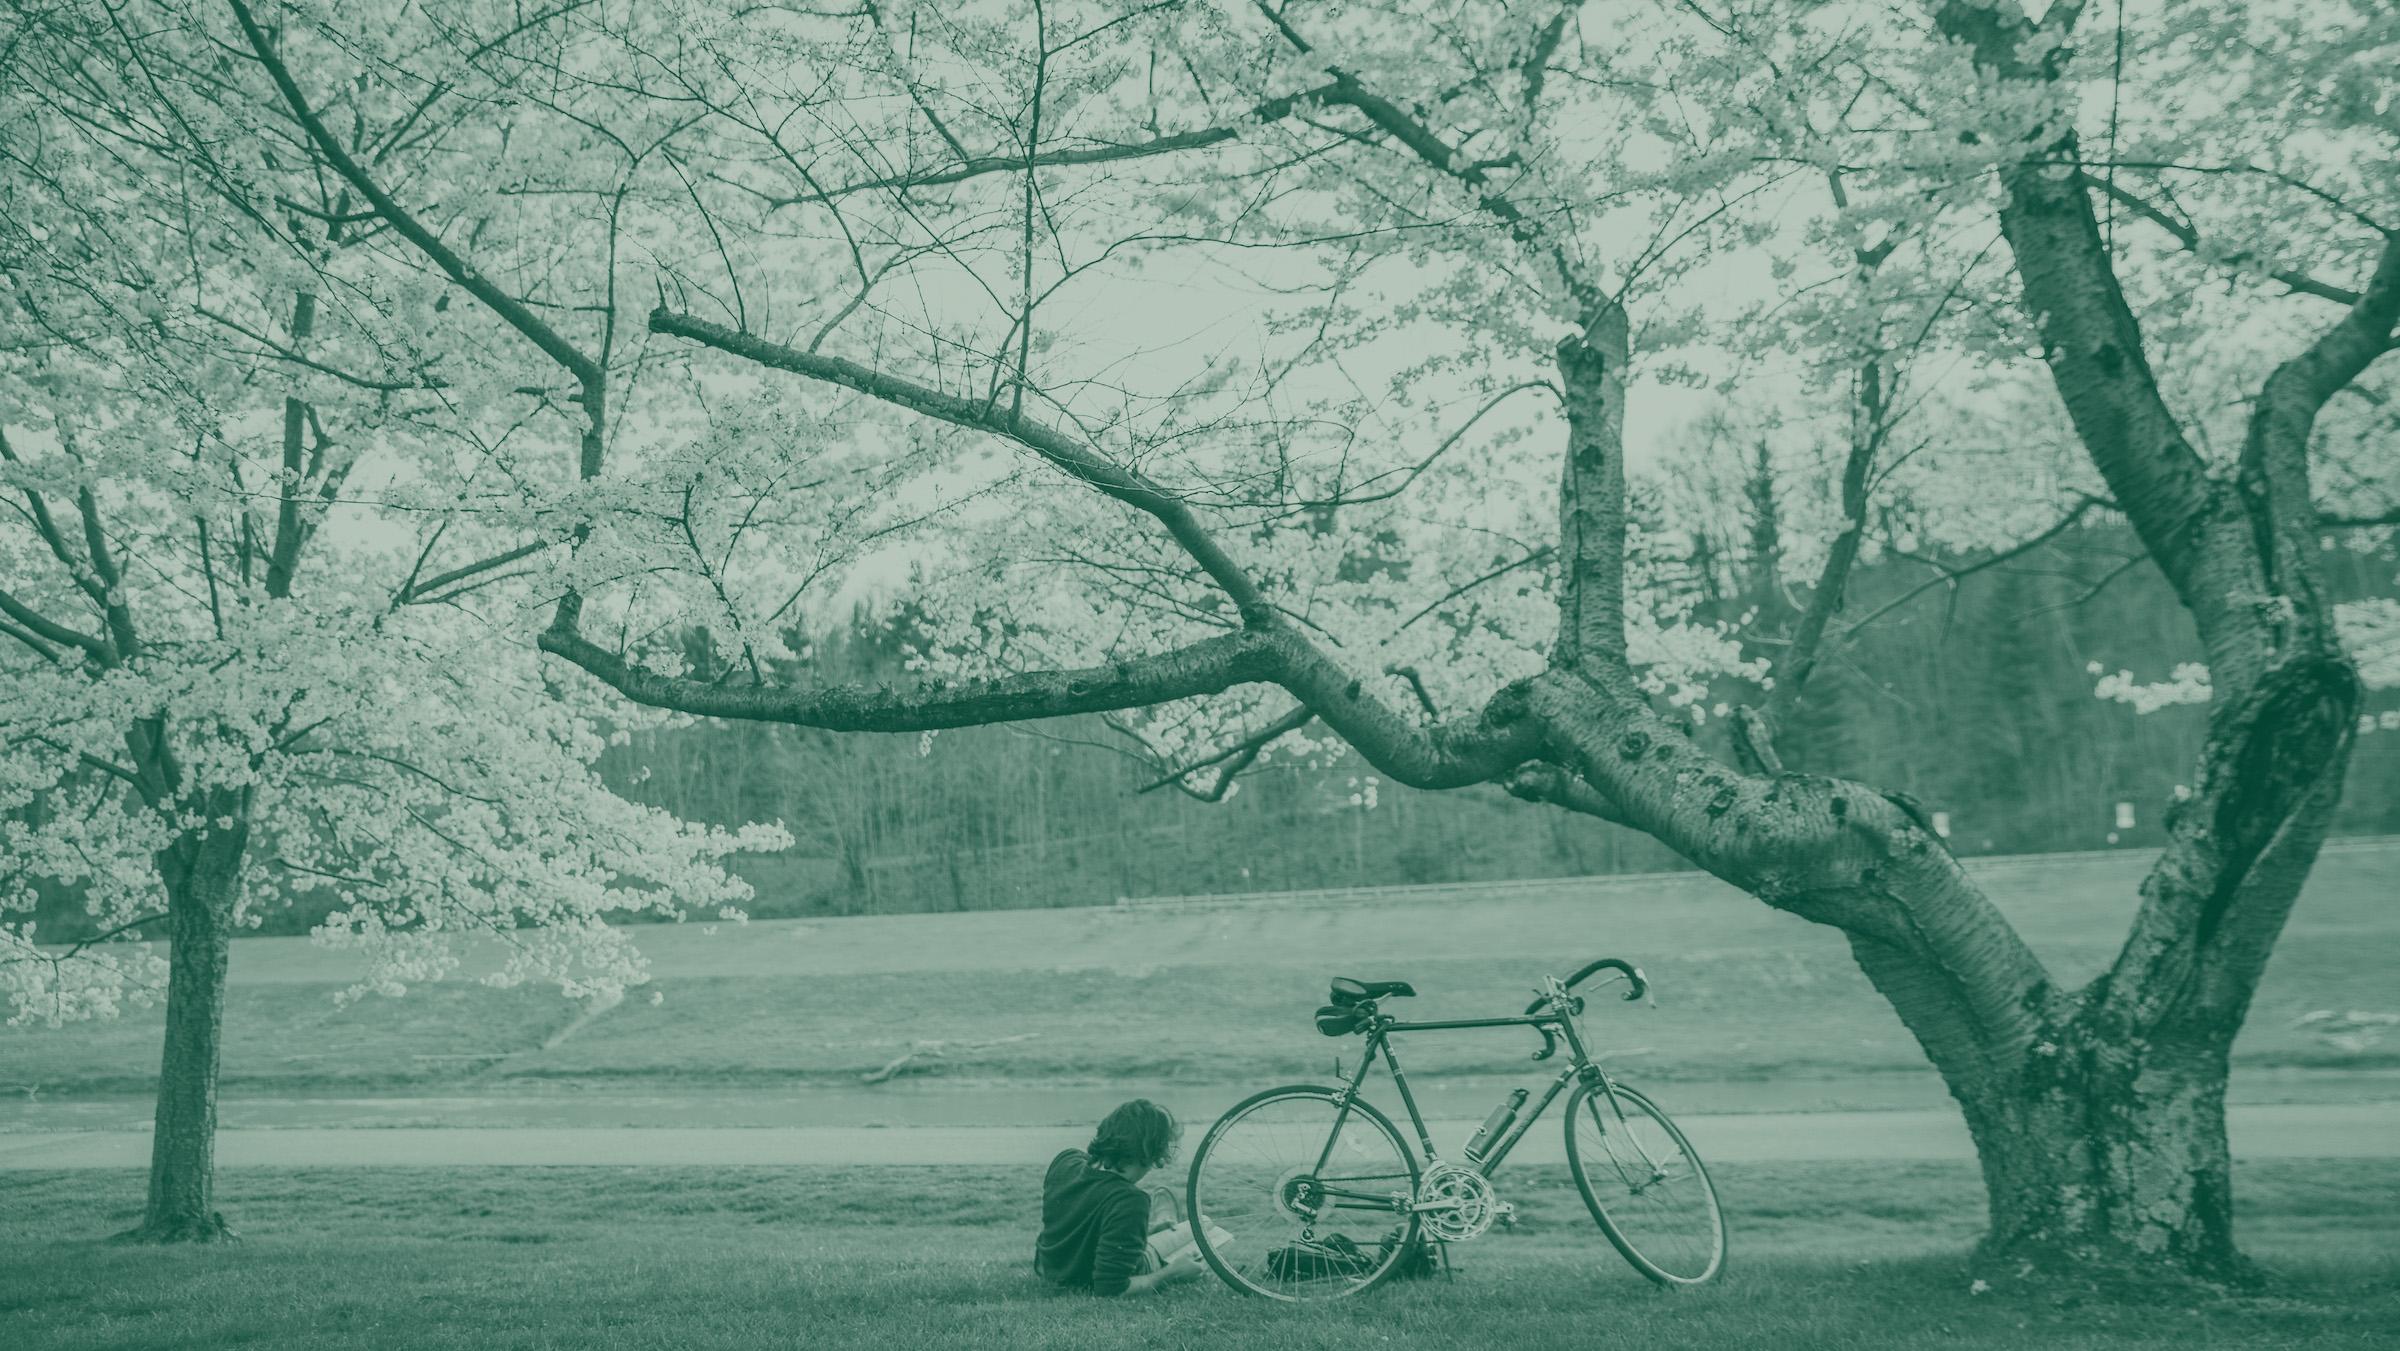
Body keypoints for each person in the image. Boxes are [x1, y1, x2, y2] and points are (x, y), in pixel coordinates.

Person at [1034, 1099, 1206, 1296]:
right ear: (1152, 1153)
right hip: (1082, 1278)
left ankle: (1140, 1232)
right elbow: (1111, 1289)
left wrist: (1146, 1231)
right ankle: (1150, 1237)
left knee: (1181, 1230)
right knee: (1205, 1231)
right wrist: (1173, 1272)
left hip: (1048, 1268)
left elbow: (1081, 1219)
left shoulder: (1065, 1160)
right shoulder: (1130, 1200)